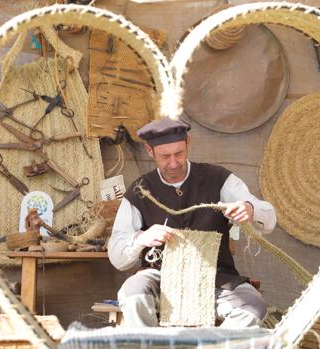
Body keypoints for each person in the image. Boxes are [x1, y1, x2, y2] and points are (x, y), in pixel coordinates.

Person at [107, 118, 276, 329]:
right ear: (150, 151)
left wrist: (250, 209)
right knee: (132, 295)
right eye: (164, 156)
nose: (173, 163)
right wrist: (141, 238)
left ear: (188, 141)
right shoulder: (140, 190)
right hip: (159, 277)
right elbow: (116, 256)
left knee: (252, 307)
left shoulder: (218, 179)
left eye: (179, 153)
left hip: (215, 277)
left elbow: (268, 220)